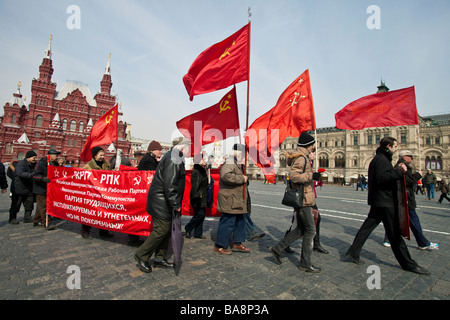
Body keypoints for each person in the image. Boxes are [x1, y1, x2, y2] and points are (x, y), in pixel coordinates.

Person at [345, 138, 430, 275]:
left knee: (367, 228)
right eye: (395, 146)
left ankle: (353, 253)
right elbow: (382, 179)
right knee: (394, 233)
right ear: (388, 146)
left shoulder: (380, 159)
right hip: (385, 201)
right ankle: (408, 264)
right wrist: (399, 172)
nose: (396, 149)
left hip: (380, 201)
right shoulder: (382, 160)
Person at [134, 138, 189, 273]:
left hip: (163, 201)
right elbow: (170, 184)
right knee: (161, 230)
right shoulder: (174, 158)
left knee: (166, 230)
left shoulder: (175, 156)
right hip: (161, 202)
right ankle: (142, 255)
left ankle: (160, 258)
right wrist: (175, 203)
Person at [269, 132, 322, 272]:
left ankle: (277, 249)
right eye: (312, 145)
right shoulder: (301, 159)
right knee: (311, 230)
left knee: (301, 229)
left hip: (303, 198)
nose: (313, 148)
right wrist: (312, 175)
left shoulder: (301, 157)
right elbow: (293, 177)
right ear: (308, 145)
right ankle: (305, 263)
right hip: (303, 199)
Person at [382, 150, 439, 250]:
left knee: (397, 219)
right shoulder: (402, 166)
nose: (411, 158)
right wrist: (417, 175)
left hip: (405, 197)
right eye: (409, 156)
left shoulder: (403, 165)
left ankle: (388, 239)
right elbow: (405, 181)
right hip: (405, 198)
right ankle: (422, 243)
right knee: (413, 220)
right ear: (404, 157)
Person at [283, 148, 328, 254]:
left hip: (309, 196)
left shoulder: (308, 163)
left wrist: (315, 181)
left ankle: (316, 244)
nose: (313, 155)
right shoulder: (302, 161)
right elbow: (297, 178)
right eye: (312, 152)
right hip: (303, 197)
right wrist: (312, 177)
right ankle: (283, 244)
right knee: (298, 223)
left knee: (315, 219)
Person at [213, 143, 251, 255]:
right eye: (244, 154)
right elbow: (226, 176)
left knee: (240, 221)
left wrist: (245, 179)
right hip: (230, 199)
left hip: (238, 199)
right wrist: (241, 178)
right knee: (227, 222)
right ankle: (220, 245)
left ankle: (237, 243)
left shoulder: (238, 163)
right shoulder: (230, 162)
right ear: (239, 154)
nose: (245, 156)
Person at [129, 141, 163, 246]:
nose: (161, 153)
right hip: (142, 192)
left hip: (143, 191)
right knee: (138, 215)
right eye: (159, 150)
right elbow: (154, 173)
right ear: (153, 150)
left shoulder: (150, 159)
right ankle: (133, 237)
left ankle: (134, 236)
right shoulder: (149, 160)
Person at [80, 147, 113, 239]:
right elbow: (83, 176)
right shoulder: (89, 166)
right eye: (100, 155)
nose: (102, 157)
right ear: (95, 156)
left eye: (103, 155)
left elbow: (110, 175)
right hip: (91, 193)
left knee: (103, 213)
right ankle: (85, 231)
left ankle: (103, 232)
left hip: (103, 193)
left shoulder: (106, 165)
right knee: (89, 213)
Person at [32, 147, 61, 229]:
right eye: (55, 155)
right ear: (50, 156)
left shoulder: (55, 164)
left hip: (49, 189)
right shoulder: (42, 162)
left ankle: (36, 220)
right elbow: (35, 175)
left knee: (41, 206)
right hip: (40, 188)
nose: (57, 157)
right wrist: (43, 178)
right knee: (44, 206)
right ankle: (46, 223)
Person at [9, 151, 38, 224]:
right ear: (28, 158)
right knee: (16, 204)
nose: (35, 159)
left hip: (29, 188)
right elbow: (20, 173)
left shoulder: (34, 165)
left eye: (35, 157)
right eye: (33, 157)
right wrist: (31, 175)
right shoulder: (21, 164)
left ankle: (27, 217)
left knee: (29, 204)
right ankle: (12, 218)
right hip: (18, 188)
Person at [185, 155, 209, 239]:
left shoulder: (202, 171)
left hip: (202, 196)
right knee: (200, 215)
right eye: (202, 159)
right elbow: (195, 186)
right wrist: (196, 197)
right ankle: (188, 228)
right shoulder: (197, 172)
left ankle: (198, 233)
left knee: (201, 215)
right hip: (198, 197)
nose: (204, 160)